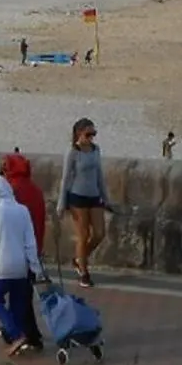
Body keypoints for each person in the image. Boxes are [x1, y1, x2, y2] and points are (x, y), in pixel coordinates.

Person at [0, 174, 41, 357]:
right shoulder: (22, 210)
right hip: (20, 267)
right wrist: (35, 267)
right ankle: (16, 335)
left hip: (1, 266)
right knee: (17, 303)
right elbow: (30, 242)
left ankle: (16, 335)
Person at [1, 152, 48, 349]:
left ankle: (18, 333)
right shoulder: (35, 190)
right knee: (24, 292)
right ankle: (31, 334)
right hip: (33, 247)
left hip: (16, 249)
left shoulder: (12, 191)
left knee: (17, 293)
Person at [58, 118, 109, 288]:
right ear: (79, 133)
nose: (91, 137)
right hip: (77, 197)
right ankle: (84, 272)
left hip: (94, 196)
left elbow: (99, 175)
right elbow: (65, 179)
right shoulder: (73, 152)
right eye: (88, 134)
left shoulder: (96, 150)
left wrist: (106, 198)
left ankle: (79, 259)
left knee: (99, 233)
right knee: (83, 235)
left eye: (93, 134)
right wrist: (61, 203)